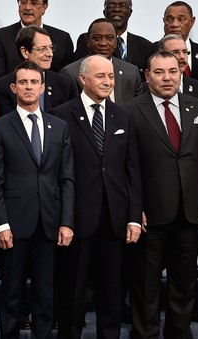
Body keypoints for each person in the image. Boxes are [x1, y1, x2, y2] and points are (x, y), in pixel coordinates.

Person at [126, 51, 198, 339]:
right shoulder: (130, 110)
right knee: (146, 283)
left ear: (181, 73)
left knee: (184, 281)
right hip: (148, 214)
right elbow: (125, 165)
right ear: (146, 75)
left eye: (173, 71)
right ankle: (146, 335)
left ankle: (179, 334)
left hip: (190, 211)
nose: (167, 78)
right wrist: (133, 208)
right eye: (159, 72)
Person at [51, 55, 142, 339]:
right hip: (76, 220)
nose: (108, 81)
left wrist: (133, 218)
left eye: (111, 76)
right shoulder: (61, 114)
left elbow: (132, 171)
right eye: (101, 76)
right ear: (83, 79)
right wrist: (63, 219)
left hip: (114, 219)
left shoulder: (123, 115)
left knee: (112, 294)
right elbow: (57, 172)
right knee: (73, 293)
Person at [0, 61, 75, 339]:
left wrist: (66, 222)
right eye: (22, 82)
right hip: (13, 224)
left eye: (34, 82)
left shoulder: (59, 126)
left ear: (43, 87)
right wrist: (0, 225)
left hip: (49, 223)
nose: (28, 87)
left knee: (45, 294)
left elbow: (67, 178)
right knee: (12, 293)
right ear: (13, 88)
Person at [0, 0, 74, 83]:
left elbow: (66, 82)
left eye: (34, 3)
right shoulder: (0, 38)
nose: (27, 7)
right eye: (23, 2)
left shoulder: (63, 39)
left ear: (45, 7)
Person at [0, 25, 78, 117]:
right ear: (25, 52)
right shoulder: (3, 87)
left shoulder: (66, 85)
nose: (50, 54)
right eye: (42, 49)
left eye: (51, 48)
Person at [74, 0, 154, 81]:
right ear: (104, 12)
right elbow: (78, 69)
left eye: (123, 6)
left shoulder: (145, 46)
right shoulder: (89, 40)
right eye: (111, 6)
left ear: (130, 12)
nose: (117, 9)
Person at [61, 18, 143, 104]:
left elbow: (138, 107)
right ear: (88, 42)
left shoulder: (132, 71)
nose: (103, 43)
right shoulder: (70, 73)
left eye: (109, 38)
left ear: (116, 43)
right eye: (97, 38)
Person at [160, 1, 198, 82]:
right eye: (169, 19)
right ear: (163, 21)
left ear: (192, 21)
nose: (174, 24)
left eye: (181, 19)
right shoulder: (150, 51)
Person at [158, 34, 198, 102]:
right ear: (161, 55)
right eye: (175, 52)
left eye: (185, 52)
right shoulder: (148, 87)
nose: (182, 56)